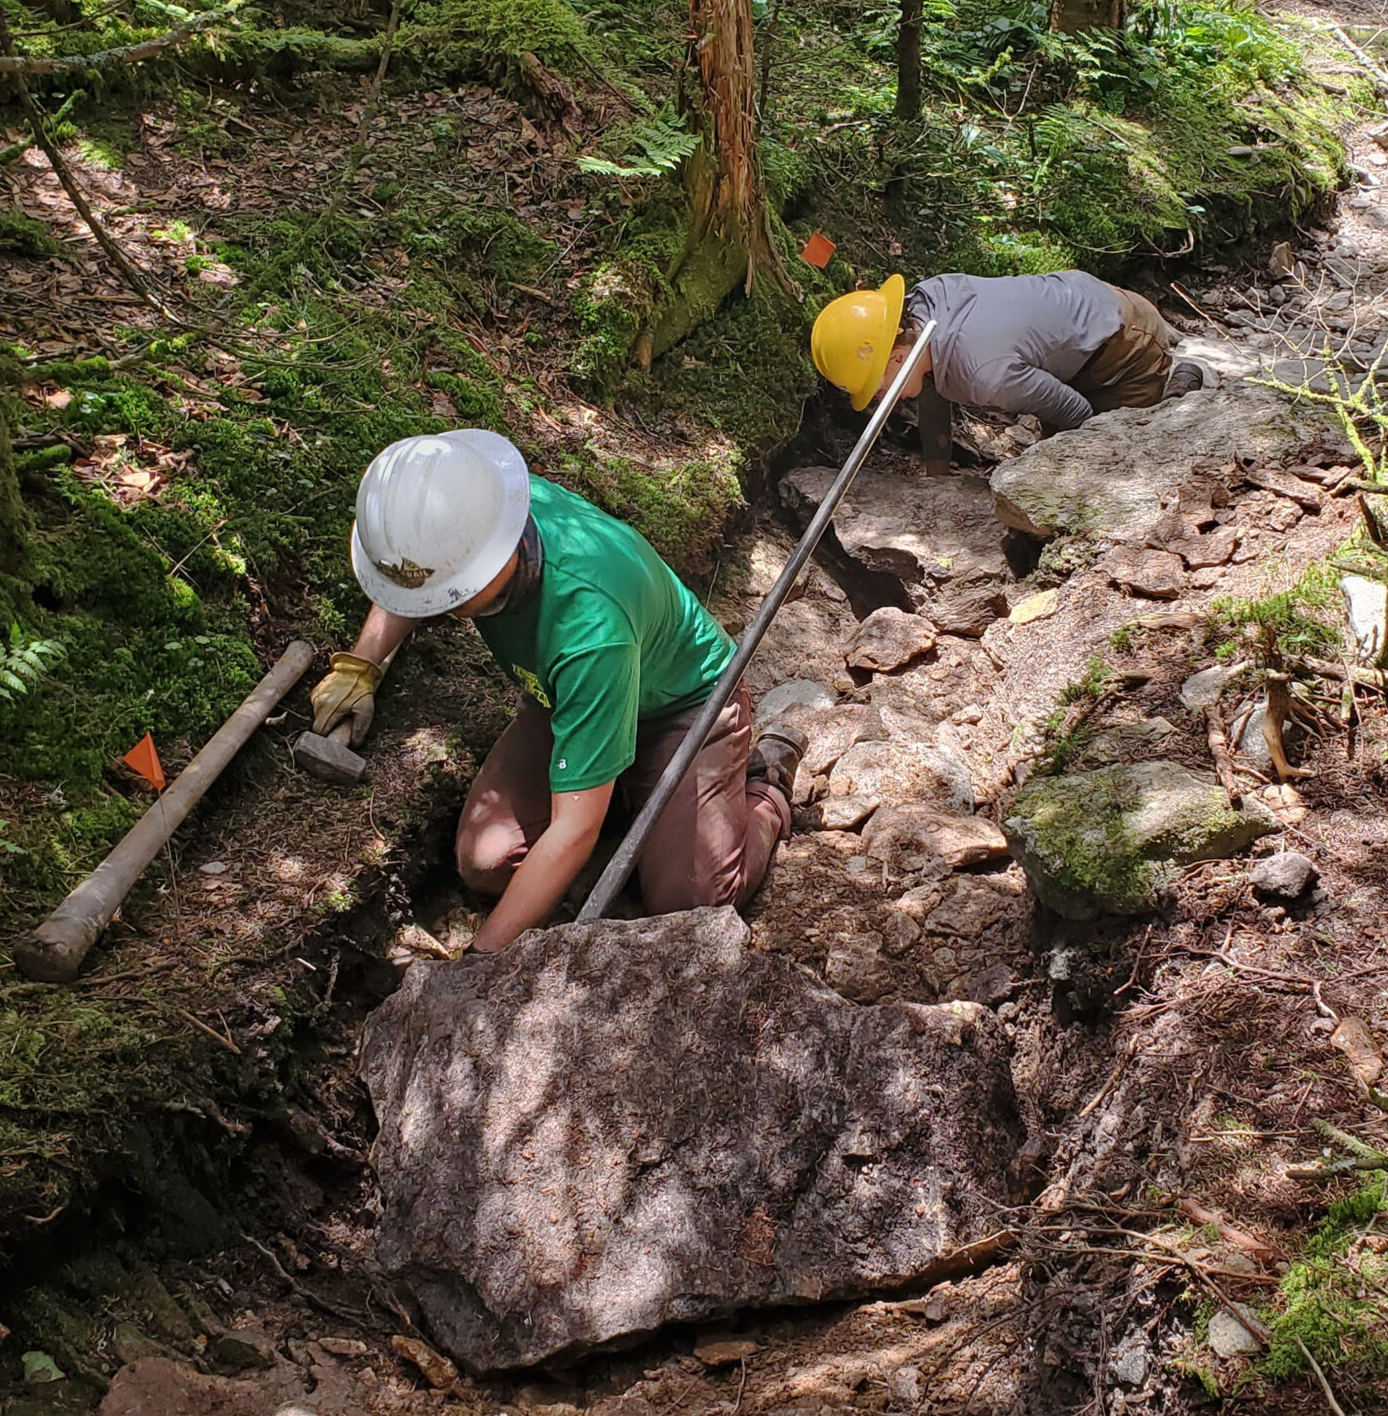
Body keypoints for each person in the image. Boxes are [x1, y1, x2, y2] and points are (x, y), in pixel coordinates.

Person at [307, 431, 802, 953]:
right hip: (569, 699)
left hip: (684, 710)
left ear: (483, 572)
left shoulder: (590, 628)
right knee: (488, 860)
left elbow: (572, 832)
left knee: (689, 899)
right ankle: (619, 791)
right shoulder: (476, 504)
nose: (435, 608)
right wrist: (360, 666)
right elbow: (414, 577)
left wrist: (479, 963)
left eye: (446, 599)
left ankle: (763, 791)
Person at [810, 270, 1205, 439]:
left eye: (875, 388)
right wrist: (937, 472)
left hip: (1123, 342)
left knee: (1119, 447)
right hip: (1080, 305)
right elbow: (932, 386)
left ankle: (1174, 395)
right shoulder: (924, 306)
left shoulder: (986, 372)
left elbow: (1076, 413)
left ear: (896, 357)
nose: (879, 399)